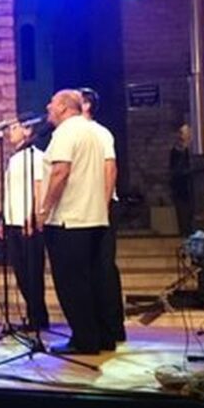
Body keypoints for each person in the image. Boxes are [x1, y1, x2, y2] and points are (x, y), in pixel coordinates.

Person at [37, 90, 110, 355]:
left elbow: (60, 172)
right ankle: (103, 336)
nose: (48, 107)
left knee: (71, 283)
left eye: (52, 103)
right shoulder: (94, 131)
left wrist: (44, 208)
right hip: (93, 216)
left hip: (69, 219)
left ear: (64, 108)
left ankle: (84, 339)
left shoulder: (66, 132)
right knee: (93, 280)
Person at [79, 87, 126, 343]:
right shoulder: (75, 133)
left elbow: (110, 168)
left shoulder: (99, 132)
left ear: (86, 105)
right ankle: (94, 325)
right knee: (88, 267)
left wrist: (104, 203)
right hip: (84, 207)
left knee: (104, 266)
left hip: (102, 205)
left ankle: (112, 326)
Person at [0, 122, 49, 331]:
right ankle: (32, 314)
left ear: (27, 130)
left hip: (27, 221)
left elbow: (39, 187)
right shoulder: (14, 158)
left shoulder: (36, 156)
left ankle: (38, 317)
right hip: (13, 220)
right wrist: (3, 219)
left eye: (15, 128)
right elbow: (10, 190)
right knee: (20, 272)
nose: (10, 132)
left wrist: (34, 216)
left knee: (32, 272)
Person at [169, 124, 194, 236]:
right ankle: (184, 230)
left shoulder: (191, 150)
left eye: (184, 133)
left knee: (190, 209)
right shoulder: (175, 151)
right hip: (180, 184)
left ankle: (189, 229)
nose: (182, 136)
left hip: (190, 185)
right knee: (181, 209)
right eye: (181, 133)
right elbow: (173, 168)